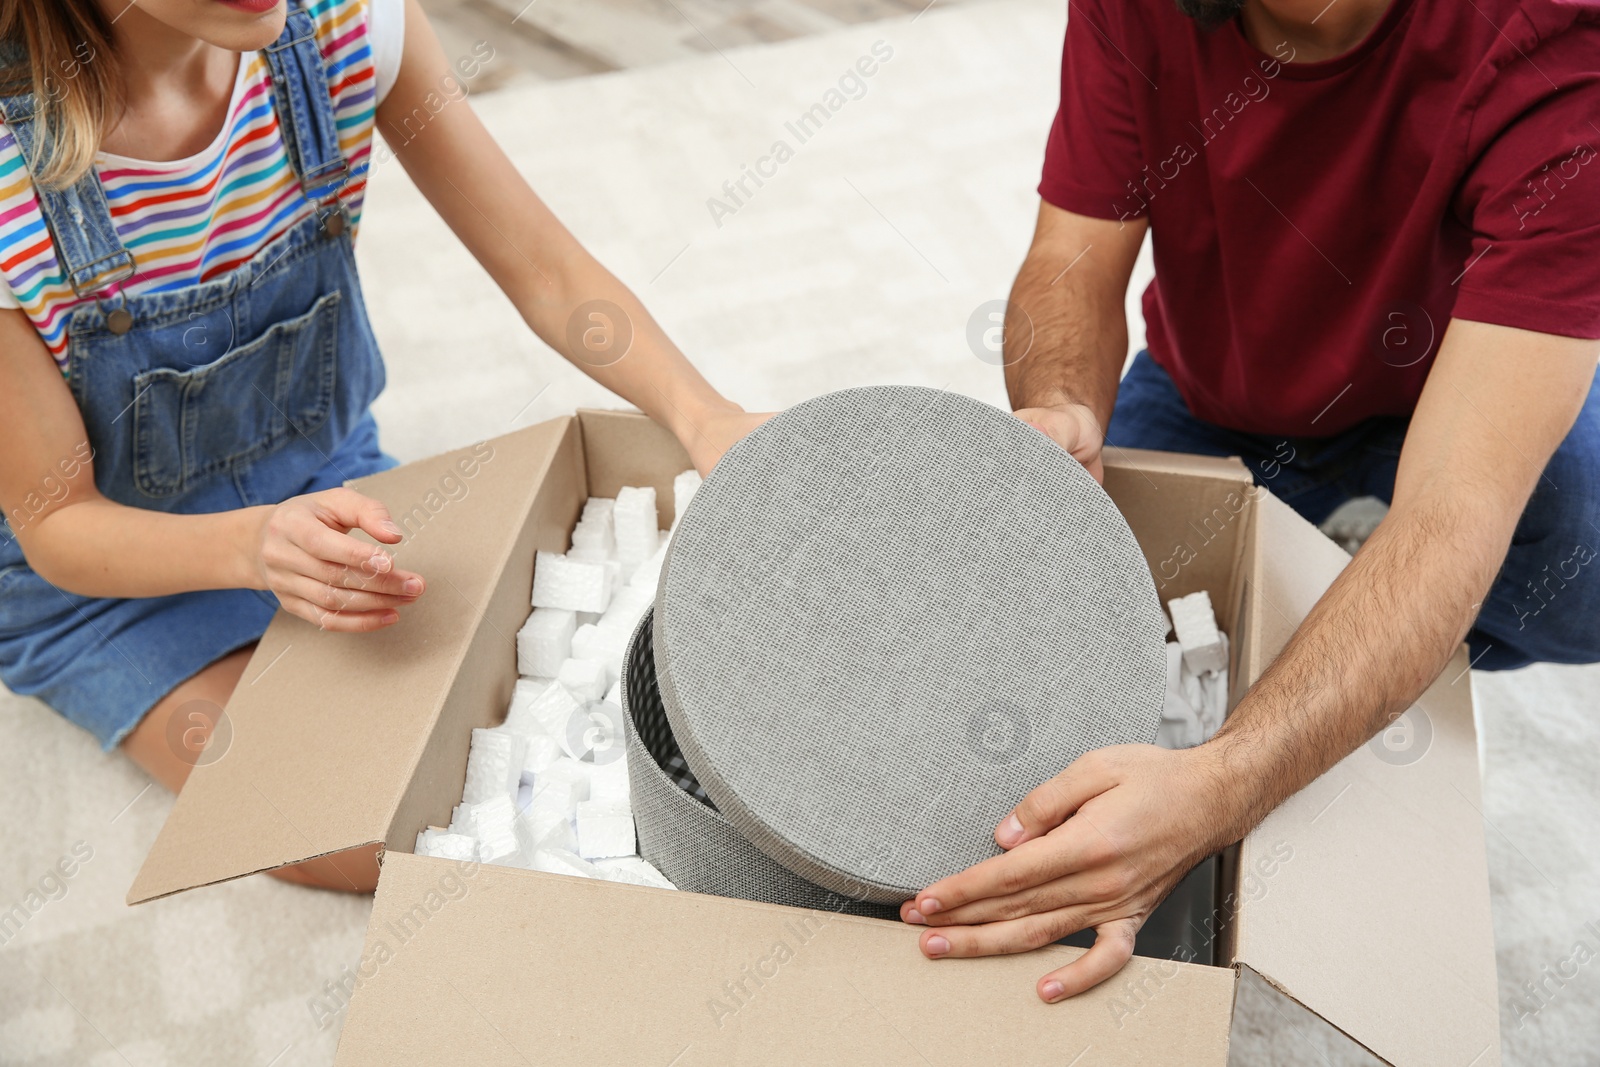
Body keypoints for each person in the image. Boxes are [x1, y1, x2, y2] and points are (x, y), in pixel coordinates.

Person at [901, 0, 1600, 1000]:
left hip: (1453, 376)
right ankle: (1333, 589)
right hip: (1214, 389)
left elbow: (1452, 513)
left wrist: (1226, 781)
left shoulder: (1555, 40)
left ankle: (1353, 582)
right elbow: (1072, 261)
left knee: (1571, 582)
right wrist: (1057, 408)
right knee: (1104, 629)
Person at [0, 0, 760, 889]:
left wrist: (701, 414)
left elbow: (546, 270)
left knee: (514, 706)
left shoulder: (345, 29)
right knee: (363, 834)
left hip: (325, 479)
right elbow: (57, 521)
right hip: (108, 582)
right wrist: (253, 544)